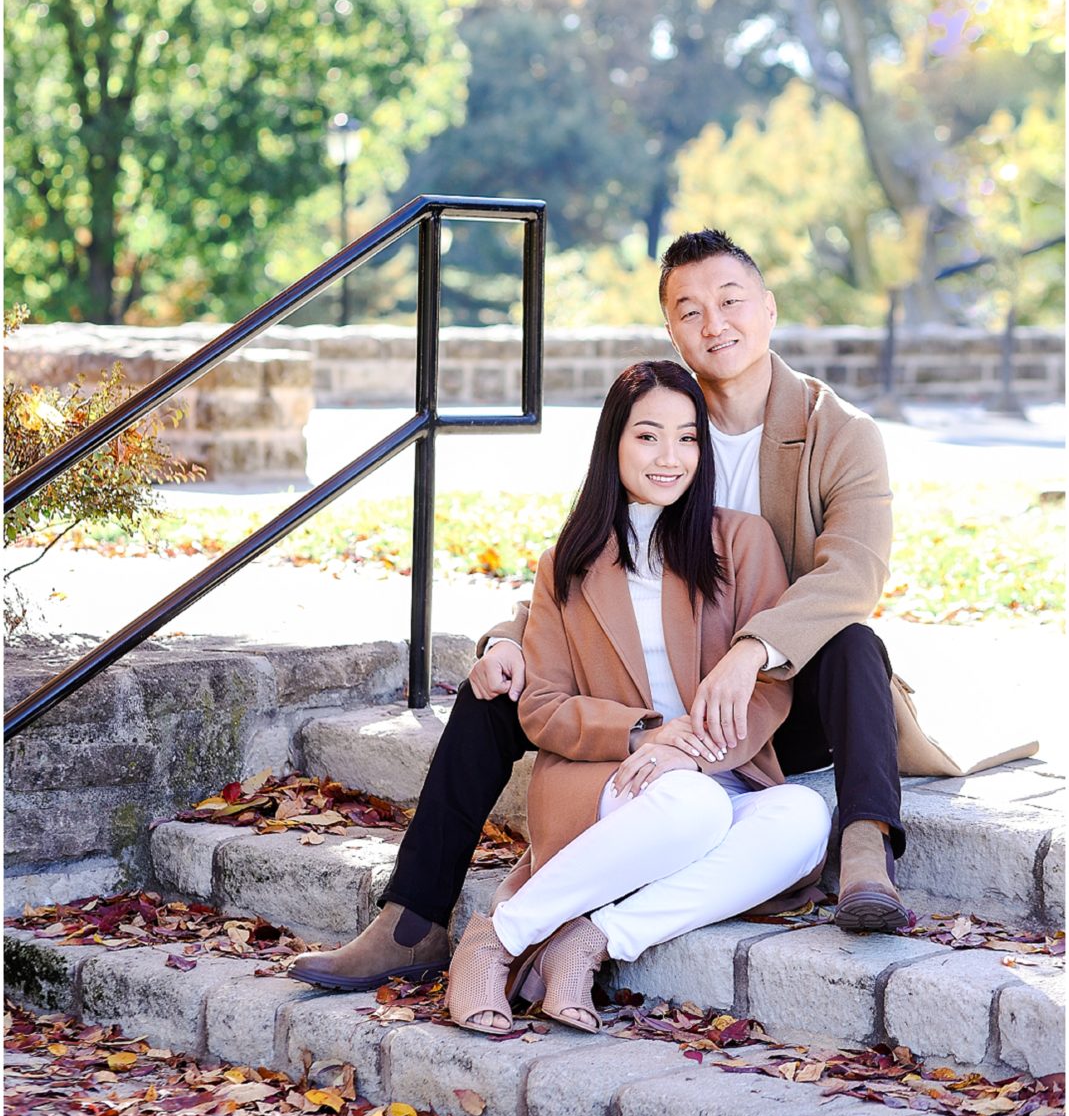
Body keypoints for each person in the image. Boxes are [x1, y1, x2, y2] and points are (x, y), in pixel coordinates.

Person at [289, 224, 1023, 994]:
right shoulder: (665, 416)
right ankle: (412, 919)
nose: (715, 325)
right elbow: (588, 554)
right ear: (670, 327)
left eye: (730, 301)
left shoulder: (837, 433)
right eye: (690, 311)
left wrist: (751, 651)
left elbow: (854, 572)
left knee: (854, 645)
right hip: (647, 692)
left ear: (768, 310)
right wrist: (509, 638)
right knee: (493, 686)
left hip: (781, 692)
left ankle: (866, 848)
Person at [444, 359, 831, 1036]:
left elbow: (768, 687)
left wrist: (695, 755)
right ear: (613, 444)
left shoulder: (740, 543)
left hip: (716, 775)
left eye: (687, 438)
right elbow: (542, 707)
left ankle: (591, 940)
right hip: (605, 774)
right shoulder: (567, 561)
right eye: (648, 437)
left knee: (802, 814)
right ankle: (496, 941)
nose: (670, 457)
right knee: (690, 806)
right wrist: (645, 735)